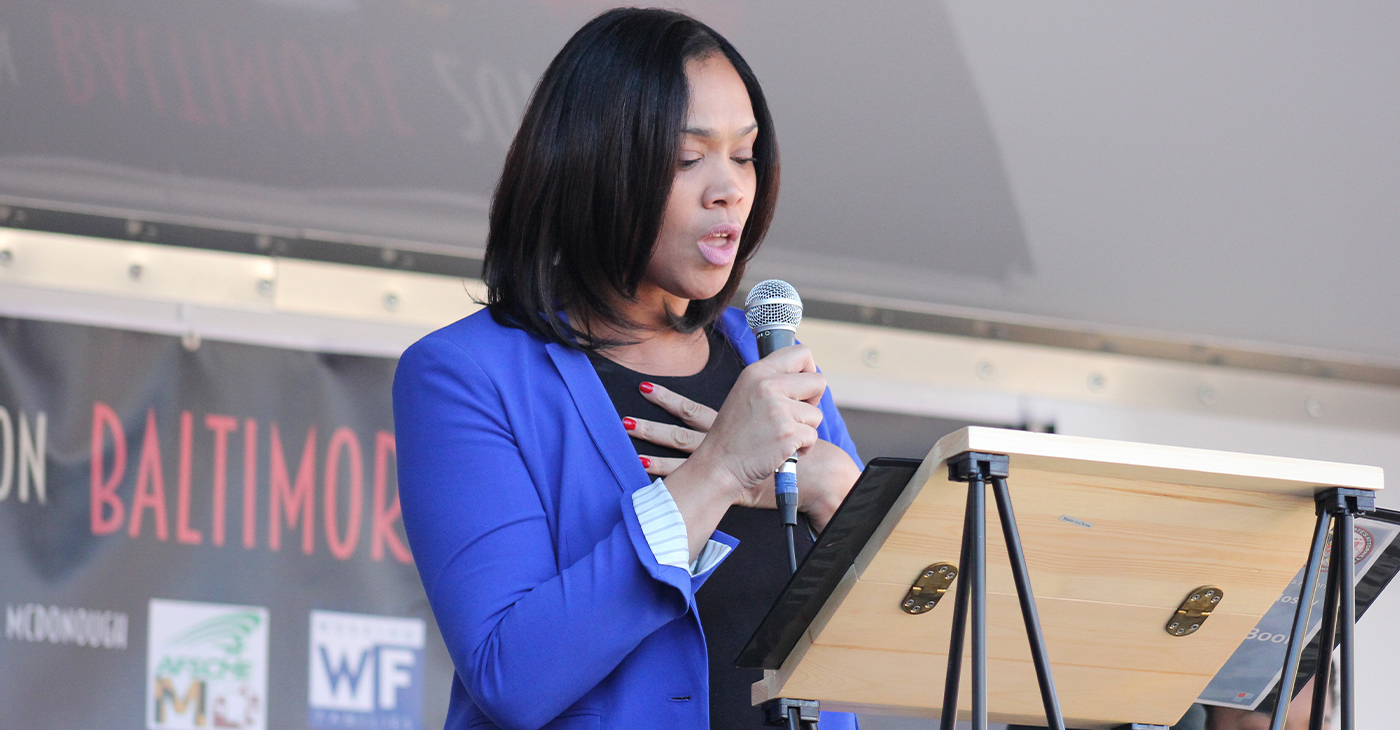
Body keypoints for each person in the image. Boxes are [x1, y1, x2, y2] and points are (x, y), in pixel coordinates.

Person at [393, 8, 864, 730]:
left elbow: (913, 639)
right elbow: (511, 675)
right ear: (592, 161)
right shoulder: (465, 376)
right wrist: (713, 477)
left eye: (745, 155)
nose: (730, 189)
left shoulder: (770, 362)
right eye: (688, 158)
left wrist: (839, 491)